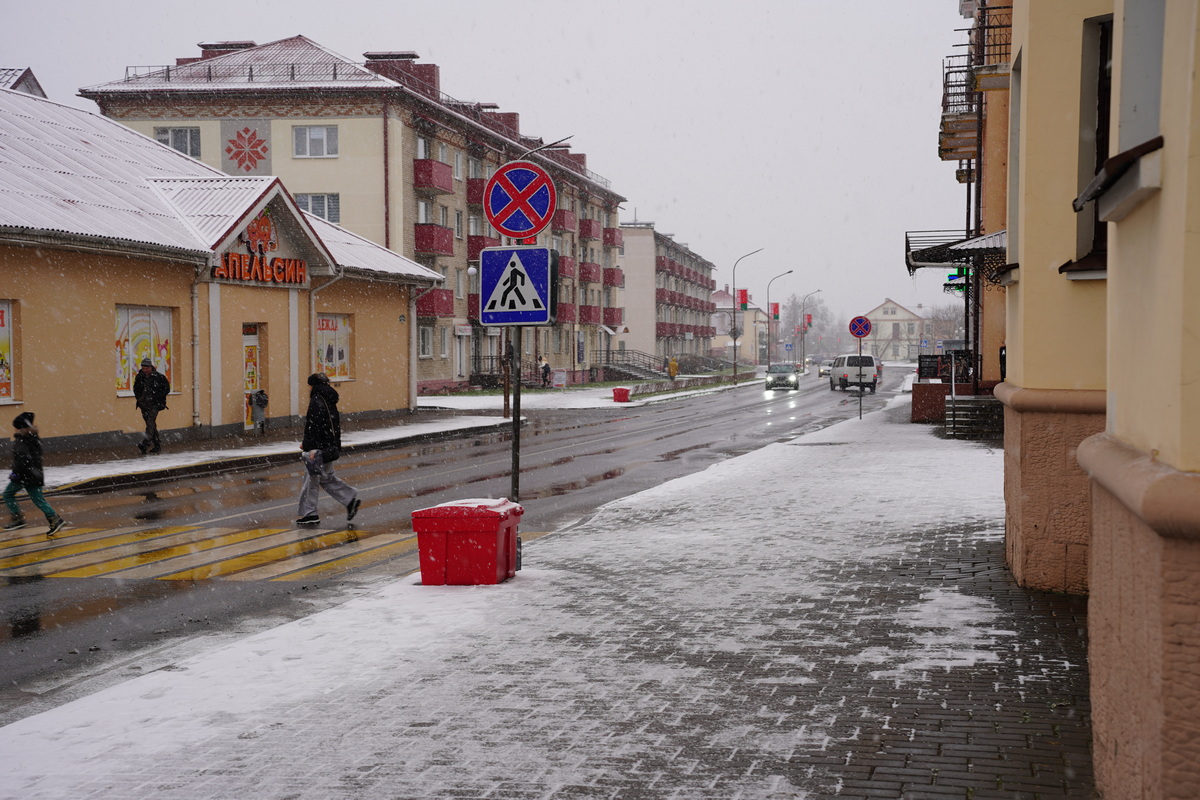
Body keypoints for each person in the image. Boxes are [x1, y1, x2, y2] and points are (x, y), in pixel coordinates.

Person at [295, 372, 361, 526]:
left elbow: (314, 427)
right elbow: (329, 426)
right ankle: (349, 499)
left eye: (309, 385)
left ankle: (310, 514)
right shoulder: (329, 398)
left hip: (318, 449)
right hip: (328, 446)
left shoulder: (317, 400)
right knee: (326, 478)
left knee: (311, 481)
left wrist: (310, 447)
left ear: (313, 385)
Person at [4, 412, 66, 536]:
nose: (15, 429)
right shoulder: (33, 437)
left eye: (16, 426)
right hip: (34, 474)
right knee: (38, 499)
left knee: (8, 494)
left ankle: (18, 518)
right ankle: (54, 519)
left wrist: (16, 474)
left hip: (25, 475)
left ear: (21, 427)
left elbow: (23, 460)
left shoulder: (23, 439)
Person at [133, 357, 170, 454]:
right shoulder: (139, 377)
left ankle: (145, 443)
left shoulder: (159, 377)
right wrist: (139, 399)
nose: (144, 370)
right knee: (151, 425)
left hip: (155, 405)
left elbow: (166, 389)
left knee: (150, 423)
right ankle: (157, 445)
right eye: (143, 368)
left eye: (146, 368)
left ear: (151, 367)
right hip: (144, 404)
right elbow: (136, 389)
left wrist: (157, 397)